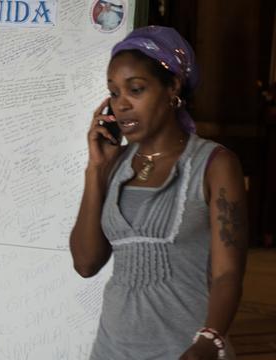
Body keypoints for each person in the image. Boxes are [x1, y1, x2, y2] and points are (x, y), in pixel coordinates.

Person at [69, 26, 247, 359]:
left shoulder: (215, 164)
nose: (121, 105)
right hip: (111, 350)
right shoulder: (114, 164)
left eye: (135, 89)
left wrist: (210, 340)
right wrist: (96, 171)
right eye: (114, 92)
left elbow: (228, 273)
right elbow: (85, 263)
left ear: (173, 88)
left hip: (186, 350)